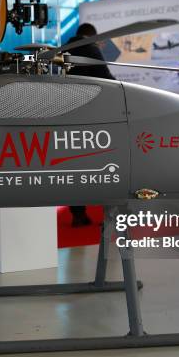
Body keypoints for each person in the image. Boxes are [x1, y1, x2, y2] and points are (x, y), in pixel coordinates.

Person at [66, 23, 115, 227]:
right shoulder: (91, 49)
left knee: (74, 165)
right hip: (94, 116)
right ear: (93, 36)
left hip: (70, 116)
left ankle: (78, 214)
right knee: (105, 164)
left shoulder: (65, 49)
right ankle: (110, 214)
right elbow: (107, 78)